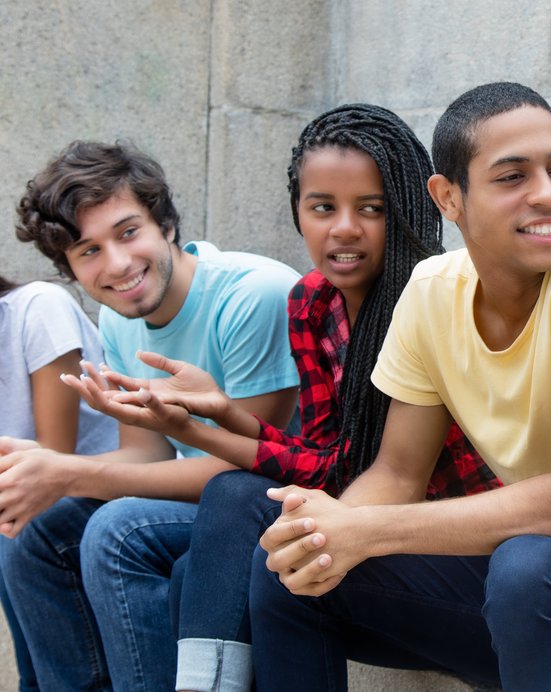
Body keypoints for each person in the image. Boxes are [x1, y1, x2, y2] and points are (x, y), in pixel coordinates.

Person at [247, 82, 551, 692]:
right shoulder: (431, 291)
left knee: (530, 565)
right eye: (513, 177)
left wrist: (367, 531)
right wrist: (330, 532)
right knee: (293, 563)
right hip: (532, 599)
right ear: (448, 197)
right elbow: (397, 474)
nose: (548, 194)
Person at [76, 103, 504, 692]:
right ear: (298, 211)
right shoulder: (312, 304)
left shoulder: (431, 298)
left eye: (371, 208)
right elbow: (328, 464)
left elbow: (391, 481)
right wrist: (212, 415)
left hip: (466, 559)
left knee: (261, 545)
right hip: (384, 548)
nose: (344, 228)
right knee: (206, 552)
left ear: (407, 208)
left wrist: (207, 430)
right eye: (322, 207)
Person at [0, 140, 300, 691]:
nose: (117, 264)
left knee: (117, 531)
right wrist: (40, 468)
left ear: (165, 223)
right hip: (209, 497)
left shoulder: (252, 295)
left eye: (128, 232)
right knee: (36, 527)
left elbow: (253, 467)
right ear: (69, 269)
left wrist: (71, 473)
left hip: (279, 498)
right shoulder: (120, 318)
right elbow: (145, 454)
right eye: (89, 251)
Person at [0, 275, 119, 692]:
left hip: (112, 487)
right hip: (38, 505)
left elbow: (52, 457)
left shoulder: (38, 307)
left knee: (19, 526)